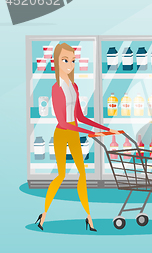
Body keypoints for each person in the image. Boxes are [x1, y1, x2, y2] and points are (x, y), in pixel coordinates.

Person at [34, 43, 120, 232]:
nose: (70, 64)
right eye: (65, 60)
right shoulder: (56, 88)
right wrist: (89, 133)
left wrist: (105, 129)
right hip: (62, 133)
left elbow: (80, 117)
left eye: (72, 60)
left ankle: (89, 218)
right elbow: (63, 122)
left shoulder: (74, 86)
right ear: (56, 62)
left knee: (82, 174)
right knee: (62, 174)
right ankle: (44, 214)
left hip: (74, 130)